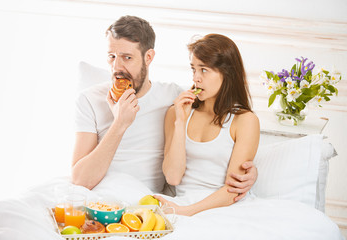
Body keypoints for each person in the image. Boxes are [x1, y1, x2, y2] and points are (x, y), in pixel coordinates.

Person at [71, 15, 257, 200]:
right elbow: (80, 180)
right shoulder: (89, 100)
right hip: (98, 198)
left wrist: (251, 173)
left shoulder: (173, 97)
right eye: (111, 57)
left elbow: (211, 104)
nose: (116, 67)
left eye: (127, 57)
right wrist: (119, 123)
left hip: (145, 202)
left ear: (149, 57)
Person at [154, 34, 260, 216]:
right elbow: (173, 177)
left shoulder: (245, 120)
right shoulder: (176, 112)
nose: (196, 78)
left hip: (224, 208)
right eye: (193, 69)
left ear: (227, 73)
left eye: (204, 70)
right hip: (182, 202)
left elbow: (233, 190)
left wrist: (185, 212)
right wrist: (180, 122)